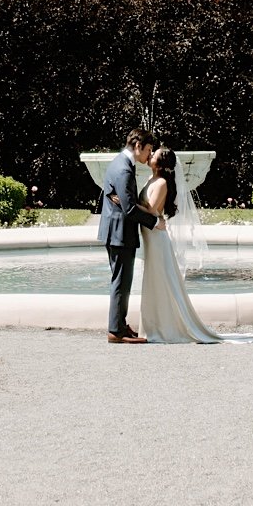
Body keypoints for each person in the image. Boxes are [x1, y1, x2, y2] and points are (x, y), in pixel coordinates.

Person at [136, 146, 253, 344]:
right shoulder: (151, 179)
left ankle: (164, 327)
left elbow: (152, 209)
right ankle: (153, 325)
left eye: (154, 154)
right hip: (150, 235)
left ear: (161, 163)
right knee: (154, 282)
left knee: (162, 282)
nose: (151, 155)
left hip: (156, 239)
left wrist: (125, 203)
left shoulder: (162, 182)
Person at [96, 127, 161, 344]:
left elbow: (123, 202)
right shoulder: (123, 169)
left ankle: (121, 325)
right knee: (121, 282)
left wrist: (125, 202)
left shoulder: (119, 163)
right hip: (120, 234)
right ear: (137, 145)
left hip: (117, 232)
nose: (149, 155)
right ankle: (116, 331)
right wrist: (155, 222)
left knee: (122, 281)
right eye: (148, 149)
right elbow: (130, 209)